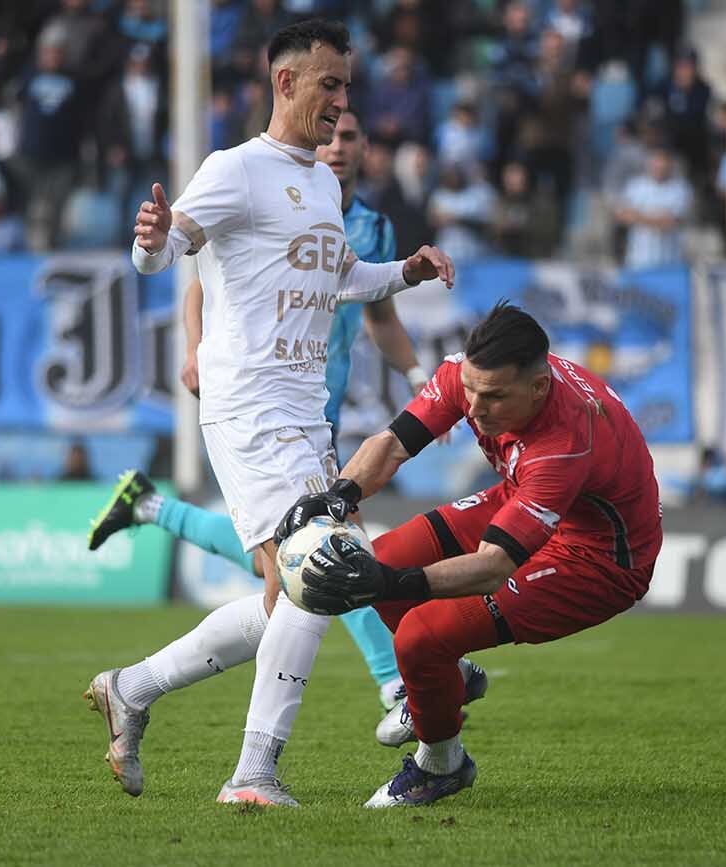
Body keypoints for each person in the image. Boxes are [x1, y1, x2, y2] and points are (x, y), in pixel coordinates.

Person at [81, 19, 455, 808]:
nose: (342, 102)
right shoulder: (234, 171)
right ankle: (252, 771)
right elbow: (165, 249)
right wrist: (147, 240)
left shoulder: (321, 182)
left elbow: (339, 275)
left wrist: (405, 272)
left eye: (348, 85)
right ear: (285, 83)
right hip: (249, 403)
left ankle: (132, 687)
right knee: (323, 570)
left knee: (288, 596)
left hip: (303, 412)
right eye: (330, 84)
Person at [273, 302, 662, 807]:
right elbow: (392, 444)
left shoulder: (564, 444)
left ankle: (441, 766)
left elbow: (493, 566)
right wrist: (339, 496)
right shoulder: (468, 373)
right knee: (386, 553)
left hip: (600, 559)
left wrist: (388, 582)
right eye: (472, 391)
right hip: (524, 495)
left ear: (538, 387)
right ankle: (450, 682)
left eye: (495, 397)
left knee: (419, 633)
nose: (475, 410)